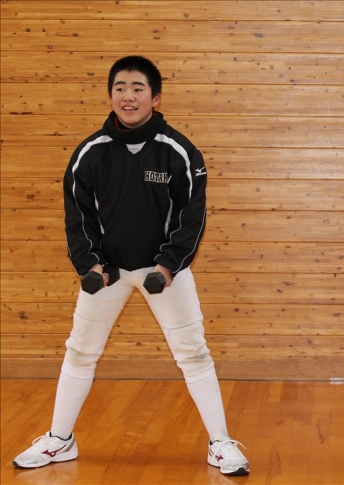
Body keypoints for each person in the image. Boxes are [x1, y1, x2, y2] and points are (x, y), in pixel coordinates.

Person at [12, 55, 249, 476]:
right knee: (80, 351)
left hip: (164, 271)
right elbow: (78, 217)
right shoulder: (90, 153)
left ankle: (220, 444)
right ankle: (60, 440)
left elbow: (192, 218)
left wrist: (168, 267)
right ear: (110, 96)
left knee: (193, 353)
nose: (128, 96)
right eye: (120, 88)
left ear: (155, 98)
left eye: (138, 88)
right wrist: (90, 264)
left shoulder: (179, 151)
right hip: (109, 271)